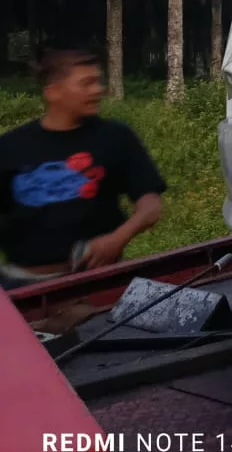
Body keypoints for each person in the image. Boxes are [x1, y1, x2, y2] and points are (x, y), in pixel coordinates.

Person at [0, 48, 166, 290]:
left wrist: (115, 240)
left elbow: (151, 208)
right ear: (53, 92)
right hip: (23, 287)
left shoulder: (115, 137)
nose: (98, 90)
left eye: (98, 81)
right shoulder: (11, 146)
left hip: (99, 283)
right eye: (86, 83)